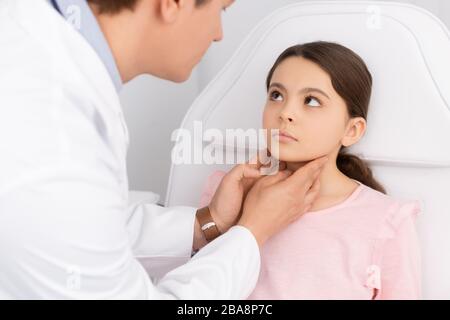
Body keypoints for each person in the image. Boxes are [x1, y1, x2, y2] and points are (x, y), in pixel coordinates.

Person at [0, 0, 327, 299]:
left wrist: (208, 223)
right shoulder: (50, 131)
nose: (218, 34)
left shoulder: (40, 51)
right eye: (221, 10)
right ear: (174, 3)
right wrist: (251, 232)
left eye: (312, 101)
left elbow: (83, 227)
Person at [200, 42, 421, 300]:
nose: (285, 113)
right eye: (276, 95)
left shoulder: (388, 221)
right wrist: (215, 222)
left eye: (312, 100)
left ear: (352, 130)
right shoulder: (226, 192)